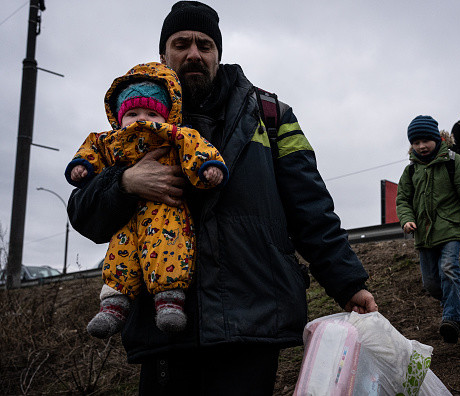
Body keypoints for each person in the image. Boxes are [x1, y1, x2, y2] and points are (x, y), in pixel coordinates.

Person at [67, 2, 377, 395]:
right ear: (163, 54)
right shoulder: (129, 122)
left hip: (250, 323)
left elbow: (311, 208)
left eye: (205, 44)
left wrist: (349, 284)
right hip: (163, 329)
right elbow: (82, 214)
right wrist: (125, 182)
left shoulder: (270, 114)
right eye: (181, 44)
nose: (194, 53)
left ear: (219, 54)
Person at [65, 62, 228, 339]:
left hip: (166, 213)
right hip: (127, 218)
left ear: (167, 117)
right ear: (119, 116)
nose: (142, 119)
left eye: (152, 113)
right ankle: (113, 306)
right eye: (133, 113)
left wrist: (208, 167)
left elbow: (197, 147)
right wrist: (83, 166)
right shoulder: (109, 141)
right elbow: (91, 150)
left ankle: (169, 302)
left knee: (169, 249)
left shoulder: (177, 135)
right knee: (121, 255)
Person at [396, 115, 460, 344]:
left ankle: (451, 319)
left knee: (448, 269)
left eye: (425, 141)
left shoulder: (453, 161)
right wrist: (406, 220)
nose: (421, 146)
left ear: (437, 138)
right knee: (430, 283)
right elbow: (403, 200)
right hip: (424, 233)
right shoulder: (410, 171)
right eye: (416, 142)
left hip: (449, 227)